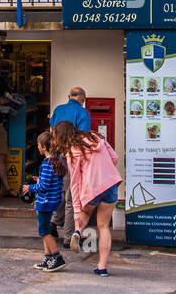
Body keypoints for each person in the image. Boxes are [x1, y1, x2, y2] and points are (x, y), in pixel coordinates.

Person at [51, 119, 120, 276]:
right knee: (103, 226)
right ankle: (102, 267)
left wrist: (76, 211)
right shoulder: (96, 137)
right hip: (110, 183)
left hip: (91, 189)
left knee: (86, 212)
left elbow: (74, 184)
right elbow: (114, 158)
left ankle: (78, 231)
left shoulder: (72, 153)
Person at [49, 87, 91, 248]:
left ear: (69, 97)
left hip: (55, 155)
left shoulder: (58, 109)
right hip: (71, 157)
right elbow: (84, 136)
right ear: (82, 98)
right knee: (71, 197)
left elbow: (52, 128)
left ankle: (53, 222)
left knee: (59, 190)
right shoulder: (83, 113)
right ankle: (68, 236)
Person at [23, 130, 66, 273]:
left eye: (38, 145)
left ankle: (56, 256)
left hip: (45, 202)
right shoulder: (57, 161)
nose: (37, 147)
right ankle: (48, 258)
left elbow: (44, 186)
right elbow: (51, 181)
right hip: (53, 200)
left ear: (45, 147)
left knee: (44, 232)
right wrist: (39, 179)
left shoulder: (46, 164)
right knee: (45, 229)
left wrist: (30, 187)